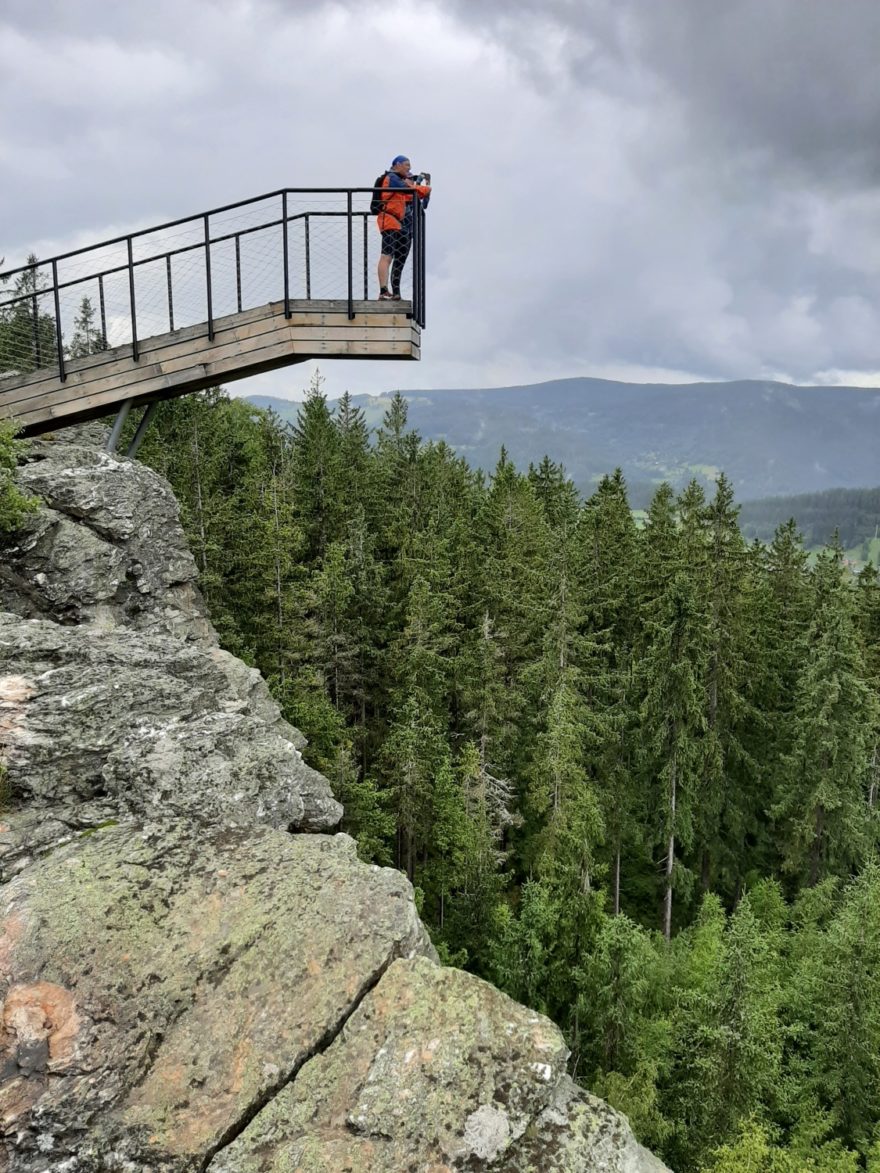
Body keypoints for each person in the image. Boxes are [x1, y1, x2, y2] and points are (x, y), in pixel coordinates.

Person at [376, 155, 431, 300]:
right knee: (386, 256)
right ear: (397, 165)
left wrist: (423, 189)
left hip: (396, 223)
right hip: (389, 220)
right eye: (407, 165)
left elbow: (416, 199)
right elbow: (411, 191)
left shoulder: (398, 183)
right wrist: (424, 188)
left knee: (392, 257)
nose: (409, 168)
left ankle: (389, 291)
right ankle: (383, 290)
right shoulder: (393, 178)